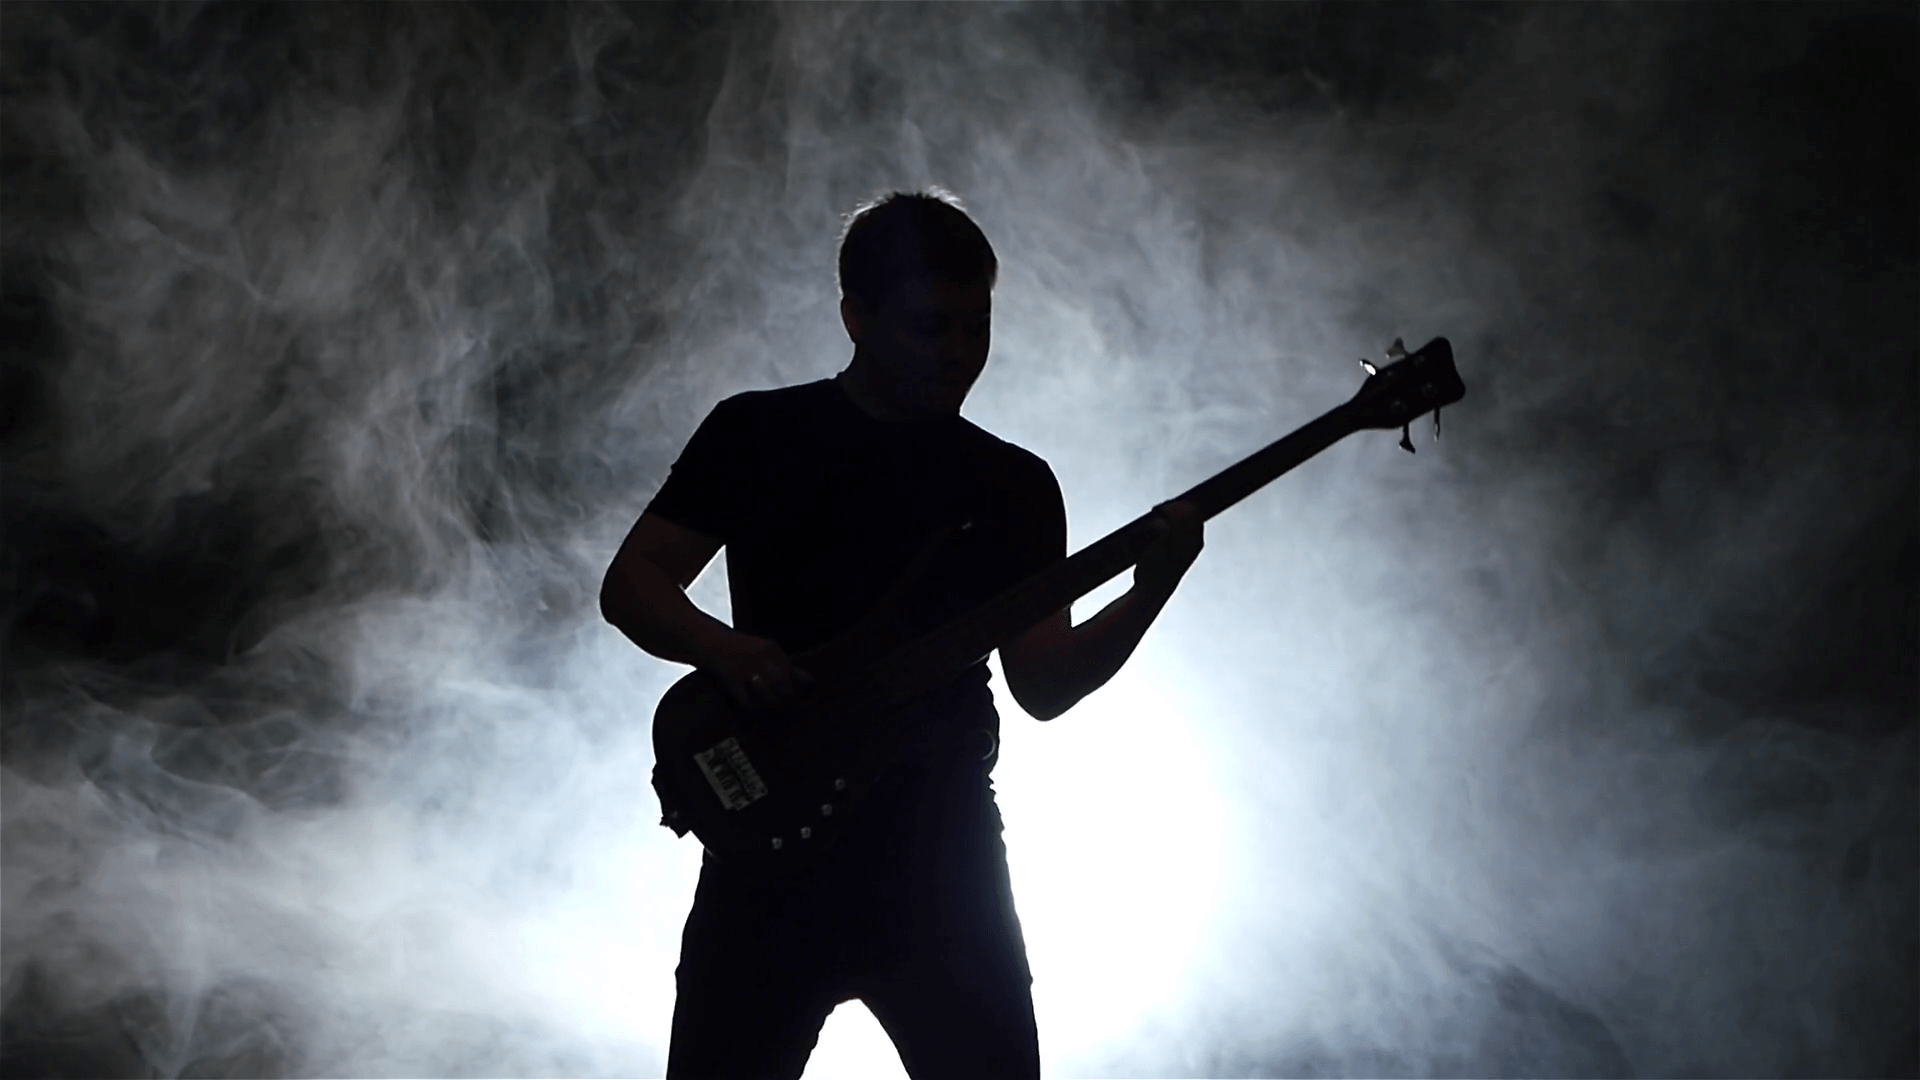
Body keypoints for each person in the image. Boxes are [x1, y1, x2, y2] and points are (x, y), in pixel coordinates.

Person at [600, 189, 1203, 1079]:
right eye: (931, 327)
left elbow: (1042, 685)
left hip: (940, 851)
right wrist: (727, 650)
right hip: (771, 848)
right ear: (855, 316)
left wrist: (1152, 589)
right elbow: (635, 583)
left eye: (977, 326)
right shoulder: (760, 432)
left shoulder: (1012, 485)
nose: (959, 354)